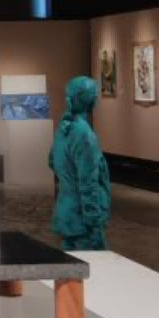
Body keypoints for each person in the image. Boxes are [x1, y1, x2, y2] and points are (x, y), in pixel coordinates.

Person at [49, 75, 111, 251]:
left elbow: (52, 161)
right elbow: (88, 183)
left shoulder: (64, 129)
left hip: (66, 210)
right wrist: (94, 220)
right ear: (90, 100)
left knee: (71, 263)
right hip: (82, 219)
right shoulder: (84, 135)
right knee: (94, 264)